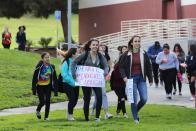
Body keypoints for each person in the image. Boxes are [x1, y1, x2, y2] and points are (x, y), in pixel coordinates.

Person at [71, 39, 109, 122]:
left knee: (99, 97)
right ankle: (87, 118)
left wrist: (105, 72)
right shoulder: (85, 54)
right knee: (87, 98)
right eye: (93, 45)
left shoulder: (100, 55)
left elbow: (106, 65)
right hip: (86, 80)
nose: (95, 46)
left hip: (96, 80)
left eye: (96, 45)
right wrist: (74, 74)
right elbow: (74, 62)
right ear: (90, 46)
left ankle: (97, 117)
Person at [119, 35, 153, 124]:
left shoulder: (144, 53)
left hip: (141, 79)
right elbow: (121, 67)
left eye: (138, 41)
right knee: (133, 99)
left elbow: (148, 66)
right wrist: (124, 77)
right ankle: (135, 118)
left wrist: (150, 79)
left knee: (144, 99)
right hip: (131, 79)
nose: (137, 43)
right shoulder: (126, 54)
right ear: (131, 43)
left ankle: (135, 110)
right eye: (135, 41)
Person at [32, 52, 58, 121]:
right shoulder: (39, 67)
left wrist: (55, 89)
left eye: (48, 57)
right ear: (42, 59)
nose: (47, 59)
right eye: (46, 57)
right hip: (40, 87)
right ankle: (38, 110)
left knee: (48, 101)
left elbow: (54, 78)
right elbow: (34, 78)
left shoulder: (52, 66)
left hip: (48, 86)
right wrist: (34, 88)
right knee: (42, 102)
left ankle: (46, 117)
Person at [91, 45, 113, 119]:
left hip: (101, 78)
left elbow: (109, 65)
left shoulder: (105, 57)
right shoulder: (92, 56)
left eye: (102, 50)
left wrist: (108, 73)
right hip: (92, 80)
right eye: (99, 49)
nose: (101, 51)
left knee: (103, 94)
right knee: (97, 97)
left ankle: (106, 113)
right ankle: (94, 110)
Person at [61, 48, 79, 121]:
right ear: (73, 54)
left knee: (75, 100)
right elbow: (64, 74)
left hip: (76, 84)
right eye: (77, 53)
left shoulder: (77, 62)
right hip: (67, 83)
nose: (78, 54)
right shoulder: (66, 62)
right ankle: (70, 115)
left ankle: (69, 111)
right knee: (72, 99)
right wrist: (72, 82)